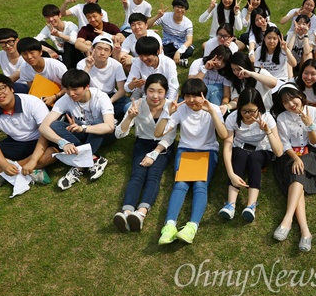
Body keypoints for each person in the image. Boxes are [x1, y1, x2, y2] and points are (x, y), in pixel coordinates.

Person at [155, 79, 227, 245]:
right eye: (187, 96)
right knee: (180, 185)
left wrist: (212, 112)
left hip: (207, 152)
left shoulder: (213, 109)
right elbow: (158, 133)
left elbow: (223, 135)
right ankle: (169, 226)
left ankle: (192, 227)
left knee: (200, 185)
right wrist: (168, 113)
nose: (192, 100)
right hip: (186, 151)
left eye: (196, 96)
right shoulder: (181, 110)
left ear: (204, 95)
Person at [113, 74, 176, 232]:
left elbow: (170, 136)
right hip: (142, 143)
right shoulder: (137, 105)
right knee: (137, 175)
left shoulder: (171, 107)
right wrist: (129, 117)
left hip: (162, 146)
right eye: (151, 91)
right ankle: (126, 212)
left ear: (166, 92)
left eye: (160, 91)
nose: (155, 96)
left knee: (154, 175)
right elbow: (118, 134)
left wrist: (154, 154)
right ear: (145, 91)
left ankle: (140, 214)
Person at [271, 84, 316, 252]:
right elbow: (284, 142)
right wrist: (296, 158)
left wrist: (309, 124)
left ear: (301, 96)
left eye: (292, 98)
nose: (290, 104)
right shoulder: (282, 118)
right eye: (285, 102)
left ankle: (287, 220)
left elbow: (315, 142)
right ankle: (305, 232)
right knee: (298, 176)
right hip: (290, 155)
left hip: (311, 153)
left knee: (298, 176)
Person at [0, 74, 55, 188]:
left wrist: (33, 160)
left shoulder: (32, 102)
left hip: (41, 139)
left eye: (1, 88)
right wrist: (4, 164)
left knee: (53, 153)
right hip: (16, 142)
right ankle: (28, 171)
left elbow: (46, 132)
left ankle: (8, 173)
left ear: (11, 88)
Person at [39, 69, 115, 190]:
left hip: (103, 135)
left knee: (98, 122)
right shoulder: (65, 99)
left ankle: (80, 166)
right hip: (81, 134)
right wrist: (63, 143)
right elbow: (43, 127)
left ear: (86, 87)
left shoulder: (101, 97)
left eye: (75, 89)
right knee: (55, 125)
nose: (71, 93)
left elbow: (110, 127)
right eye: (68, 89)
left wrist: (83, 128)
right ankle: (93, 159)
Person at [220, 88, 283, 222]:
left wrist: (268, 132)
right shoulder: (232, 118)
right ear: (239, 108)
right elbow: (227, 145)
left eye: (252, 111)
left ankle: (251, 205)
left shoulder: (267, 118)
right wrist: (231, 174)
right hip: (240, 149)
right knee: (240, 156)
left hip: (262, 150)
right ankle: (231, 205)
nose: (248, 115)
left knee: (254, 158)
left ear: (259, 108)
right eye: (244, 111)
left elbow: (279, 152)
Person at [77, 36, 129, 122]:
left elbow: (122, 90)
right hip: (91, 97)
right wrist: (88, 67)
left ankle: (104, 115)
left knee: (128, 104)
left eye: (106, 50)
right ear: (92, 49)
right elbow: (79, 85)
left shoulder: (116, 65)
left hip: (110, 96)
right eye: (99, 48)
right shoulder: (82, 64)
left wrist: (108, 102)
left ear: (110, 52)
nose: (102, 53)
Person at [16, 37, 68, 107]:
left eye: (32, 53)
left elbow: (70, 86)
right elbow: (32, 89)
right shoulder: (24, 68)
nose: (29, 57)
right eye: (24, 54)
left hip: (63, 95)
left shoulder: (56, 65)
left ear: (40, 52)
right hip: (42, 98)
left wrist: (54, 97)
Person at [125, 36, 178, 102]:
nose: (144, 59)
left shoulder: (169, 63)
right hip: (145, 96)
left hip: (164, 97)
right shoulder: (137, 62)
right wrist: (133, 84)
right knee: (127, 107)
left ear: (158, 51)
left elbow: (173, 87)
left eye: (147, 55)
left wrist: (168, 105)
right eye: (141, 55)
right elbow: (127, 87)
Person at [147, 0, 194, 67]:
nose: (179, 10)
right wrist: (157, 16)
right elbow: (147, 25)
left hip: (180, 43)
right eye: (177, 7)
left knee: (189, 51)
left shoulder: (188, 23)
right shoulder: (165, 16)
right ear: (173, 7)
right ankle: (178, 61)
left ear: (185, 10)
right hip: (167, 42)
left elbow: (189, 41)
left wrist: (179, 52)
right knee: (157, 49)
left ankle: (162, 59)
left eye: (182, 8)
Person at [35, 4, 81, 69]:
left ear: (59, 15)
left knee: (68, 44)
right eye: (48, 17)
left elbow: (75, 41)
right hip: (60, 55)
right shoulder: (48, 28)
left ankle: (65, 69)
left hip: (74, 55)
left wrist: (59, 35)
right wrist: (48, 50)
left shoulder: (70, 26)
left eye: (53, 16)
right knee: (40, 44)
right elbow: (34, 41)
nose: (51, 19)